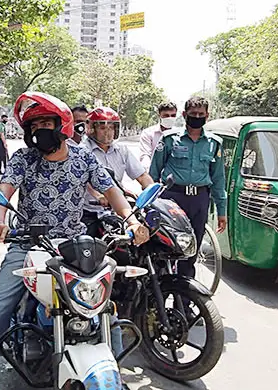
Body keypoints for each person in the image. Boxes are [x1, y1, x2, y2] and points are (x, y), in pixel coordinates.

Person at [0, 92, 149, 390]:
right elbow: (5, 187)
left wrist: (132, 219)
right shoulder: (24, 158)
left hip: (72, 248)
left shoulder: (83, 157)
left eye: (46, 123)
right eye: (34, 126)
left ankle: (111, 370)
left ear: (62, 125)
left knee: (104, 309)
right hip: (27, 243)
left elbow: (111, 191)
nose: (40, 131)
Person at [149, 96, 227, 283]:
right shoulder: (169, 139)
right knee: (165, 248)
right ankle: (158, 295)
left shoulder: (214, 143)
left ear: (207, 116)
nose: (197, 117)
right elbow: (153, 174)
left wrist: (222, 211)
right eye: (193, 114)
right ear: (184, 115)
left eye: (201, 114)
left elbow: (218, 179)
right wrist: (149, 203)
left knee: (191, 250)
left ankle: (183, 301)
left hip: (199, 201)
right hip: (172, 199)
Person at [81, 106, 155, 236]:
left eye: (111, 127)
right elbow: (84, 180)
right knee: (89, 248)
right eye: (103, 128)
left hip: (117, 208)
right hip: (89, 211)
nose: (108, 132)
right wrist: (99, 196)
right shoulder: (82, 151)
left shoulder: (122, 150)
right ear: (92, 129)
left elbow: (142, 176)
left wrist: (152, 191)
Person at [139, 102, 178, 170]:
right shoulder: (148, 133)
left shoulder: (179, 134)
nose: (170, 118)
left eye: (173, 115)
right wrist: (149, 172)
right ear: (159, 115)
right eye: (166, 115)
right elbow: (145, 155)